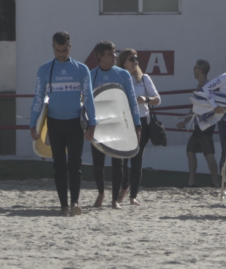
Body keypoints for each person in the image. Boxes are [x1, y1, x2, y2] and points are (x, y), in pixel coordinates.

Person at [29, 31, 97, 217]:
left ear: (70, 47)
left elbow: (89, 98)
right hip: (55, 124)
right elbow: (38, 98)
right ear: (53, 48)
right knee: (59, 166)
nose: (61, 54)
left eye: (64, 50)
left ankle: (75, 202)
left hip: (75, 123)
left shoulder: (81, 69)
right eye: (58, 50)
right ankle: (63, 206)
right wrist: (32, 124)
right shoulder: (44, 70)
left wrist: (93, 123)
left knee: (75, 165)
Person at [88, 41, 141, 209]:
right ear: (100, 57)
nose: (115, 56)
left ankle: (114, 200)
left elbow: (132, 101)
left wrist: (137, 125)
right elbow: (86, 101)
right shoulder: (91, 75)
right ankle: (101, 194)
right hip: (98, 124)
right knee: (98, 163)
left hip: (119, 123)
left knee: (118, 162)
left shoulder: (123, 75)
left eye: (114, 53)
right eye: (110, 54)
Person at [118, 48, 161, 205]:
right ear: (123, 62)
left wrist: (146, 99)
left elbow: (158, 99)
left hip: (142, 121)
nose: (135, 61)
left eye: (136, 59)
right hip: (123, 120)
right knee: (122, 159)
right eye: (131, 59)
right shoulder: (118, 77)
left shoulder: (143, 79)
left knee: (137, 159)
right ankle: (124, 188)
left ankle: (132, 196)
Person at [177, 60, 220, 188]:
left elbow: (209, 106)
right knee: (190, 151)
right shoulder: (202, 86)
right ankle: (191, 182)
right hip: (199, 124)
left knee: (208, 154)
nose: (193, 69)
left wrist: (185, 121)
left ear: (200, 70)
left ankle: (216, 183)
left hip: (205, 124)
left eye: (195, 67)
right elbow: (195, 107)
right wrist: (185, 121)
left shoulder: (206, 86)